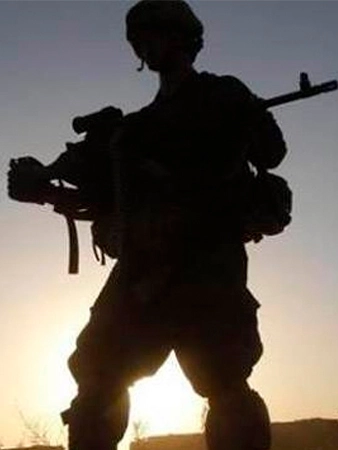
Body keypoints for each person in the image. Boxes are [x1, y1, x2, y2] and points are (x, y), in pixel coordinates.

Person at [9, 2, 287, 450]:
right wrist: (42, 183)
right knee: (97, 381)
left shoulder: (220, 95)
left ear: (183, 38)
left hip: (205, 264)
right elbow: (100, 191)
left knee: (225, 381)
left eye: (154, 34)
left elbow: (272, 153)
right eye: (138, 39)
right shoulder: (131, 130)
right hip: (141, 271)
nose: (144, 45)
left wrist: (246, 116)